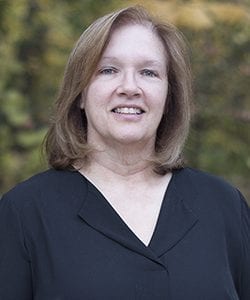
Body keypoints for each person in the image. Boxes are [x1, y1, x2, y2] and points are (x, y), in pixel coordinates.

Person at [0, 5, 249, 300]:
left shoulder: (223, 206)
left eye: (148, 72)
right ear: (80, 93)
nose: (130, 87)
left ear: (169, 97)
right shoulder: (24, 213)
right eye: (108, 70)